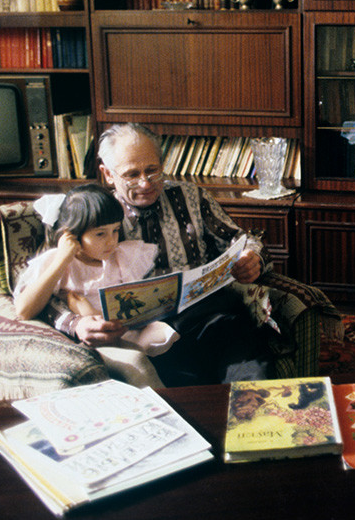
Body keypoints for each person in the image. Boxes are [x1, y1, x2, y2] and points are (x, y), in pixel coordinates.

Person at [44, 123, 276, 386]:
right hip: (144, 337)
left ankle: (259, 422)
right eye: (132, 174)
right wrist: (76, 324)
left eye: (153, 170)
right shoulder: (91, 215)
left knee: (253, 379)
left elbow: (242, 240)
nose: (146, 183)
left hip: (212, 318)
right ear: (108, 174)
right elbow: (49, 290)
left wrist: (252, 257)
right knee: (184, 398)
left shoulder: (191, 196)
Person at [13, 184, 171, 388]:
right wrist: (62, 258)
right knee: (137, 363)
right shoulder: (58, 262)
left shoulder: (124, 256)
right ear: (72, 234)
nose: (111, 242)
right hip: (94, 341)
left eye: (115, 231)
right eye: (100, 234)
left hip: (132, 332)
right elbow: (24, 310)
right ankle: (164, 415)